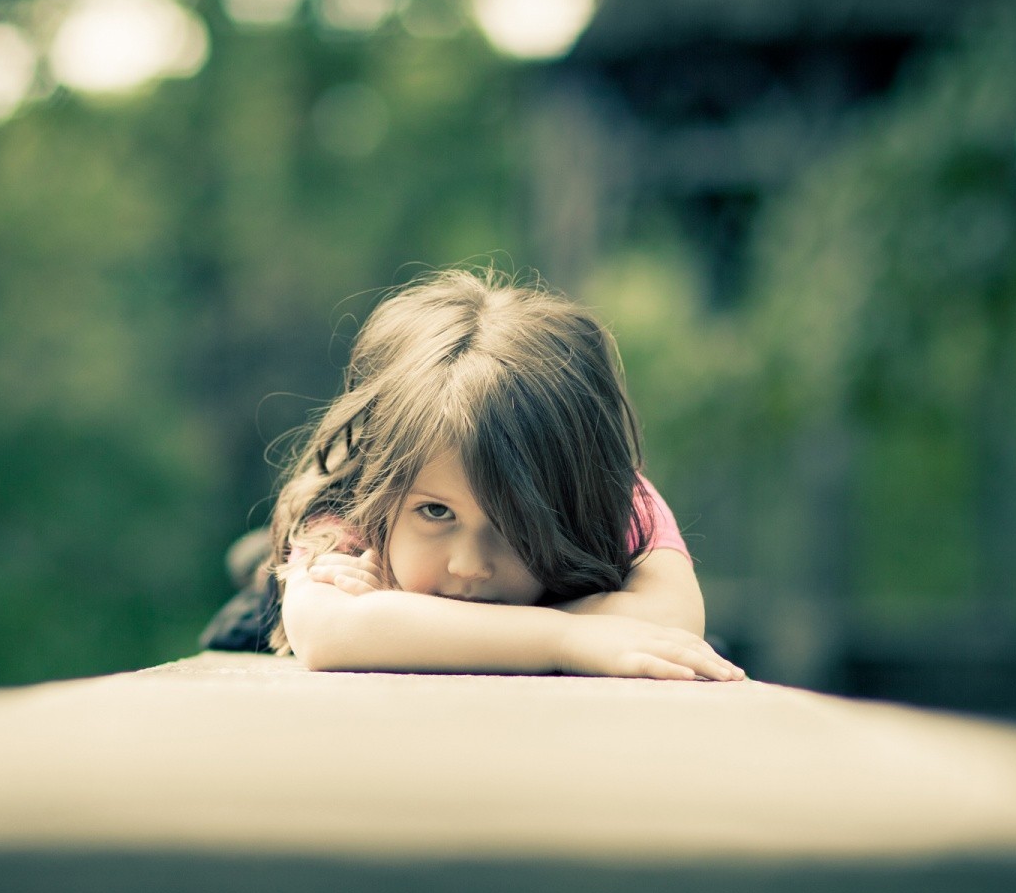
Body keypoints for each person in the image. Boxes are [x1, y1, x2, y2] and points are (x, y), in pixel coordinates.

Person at [202, 269, 742, 682]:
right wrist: (569, 638)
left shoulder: (611, 495)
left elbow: (668, 623)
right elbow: (328, 633)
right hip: (289, 593)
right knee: (264, 597)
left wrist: (398, 612)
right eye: (436, 512)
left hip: (547, 584)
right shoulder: (356, 496)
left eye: (514, 523)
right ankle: (259, 563)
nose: (469, 565)